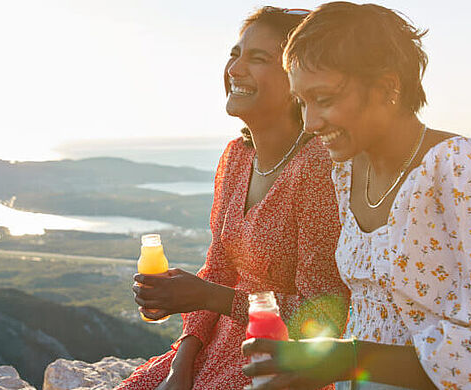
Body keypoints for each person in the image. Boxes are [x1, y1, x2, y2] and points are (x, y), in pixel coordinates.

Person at [240, 2, 471, 389]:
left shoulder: (467, 169)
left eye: (324, 99)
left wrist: (351, 358)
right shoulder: (347, 172)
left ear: (388, 87)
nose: (310, 123)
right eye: (302, 102)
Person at [118, 6, 351, 390]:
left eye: (258, 58)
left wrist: (211, 297)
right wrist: (182, 363)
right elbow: (219, 267)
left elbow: (320, 317)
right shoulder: (236, 156)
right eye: (235, 54)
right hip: (210, 349)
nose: (235, 69)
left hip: (278, 364)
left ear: (299, 79)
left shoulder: (317, 168)